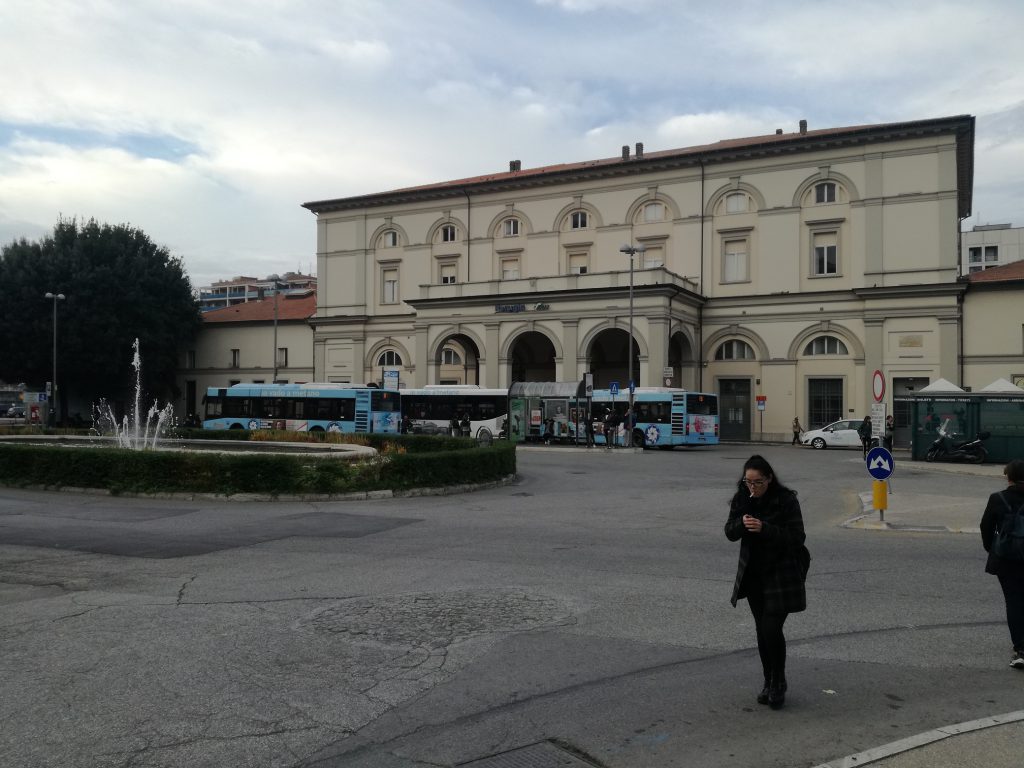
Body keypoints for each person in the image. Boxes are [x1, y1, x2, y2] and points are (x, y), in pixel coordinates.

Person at [725, 455, 807, 710]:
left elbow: (797, 537)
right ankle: (768, 681)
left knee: (771, 628)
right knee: (762, 630)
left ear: (769, 479)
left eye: (758, 482)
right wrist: (742, 523)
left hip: (781, 573)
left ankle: (779, 681)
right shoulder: (743, 498)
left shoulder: (785, 499)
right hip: (754, 574)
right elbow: (729, 532)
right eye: (748, 481)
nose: (752, 487)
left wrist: (765, 528)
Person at [980, 459, 1024, 669]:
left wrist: (994, 549)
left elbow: (985, 527)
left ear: (1009, 477)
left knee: (1014, 602)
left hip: (1007, 559)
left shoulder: (997, 499)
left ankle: (1021, 649)